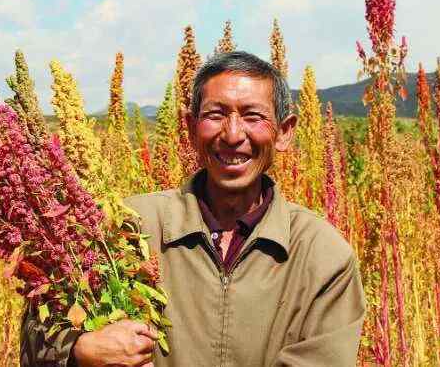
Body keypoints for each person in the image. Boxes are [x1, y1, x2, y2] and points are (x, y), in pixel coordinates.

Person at [21, 51, 366, 366]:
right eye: (215, 115)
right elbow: (37, 337)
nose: (232, 135)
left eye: (253, 116)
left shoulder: (322, 256)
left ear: (284, 133)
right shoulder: (128, 228)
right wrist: (79, 351)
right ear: (190, 128)